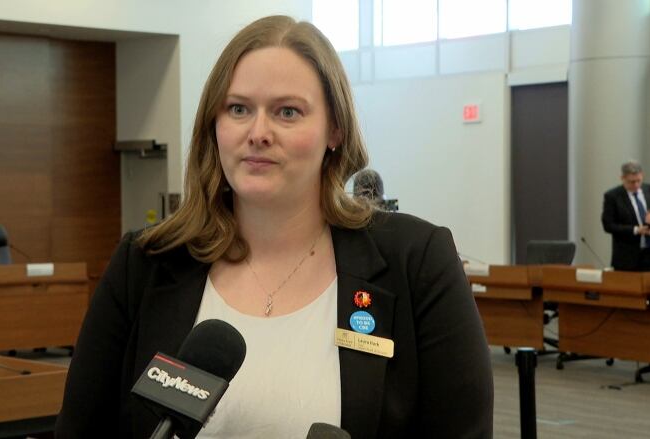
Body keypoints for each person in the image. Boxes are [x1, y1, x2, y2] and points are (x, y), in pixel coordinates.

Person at [56, 15, 492, 438]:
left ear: (335, 128)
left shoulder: (416, 262)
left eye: (287, 112)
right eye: (239, 108)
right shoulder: (146, 264)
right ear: (215, 124)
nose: (258, 132)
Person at [602, 160, 650, 271]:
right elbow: (608, 225)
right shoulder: (612, 196)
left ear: (642, 175)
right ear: (622, 178)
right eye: (631, 182)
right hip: (627, 258)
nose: (636, 185)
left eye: (638, 180)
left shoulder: (649, 190)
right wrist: (636, 230)